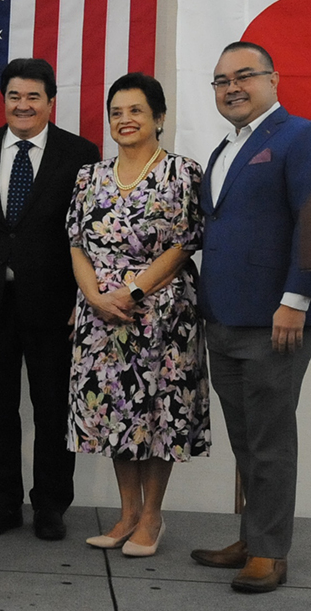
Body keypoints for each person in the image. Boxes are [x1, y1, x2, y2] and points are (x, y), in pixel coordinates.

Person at [190, 41, 311, 592]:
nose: (231, 87)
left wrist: (295, 299)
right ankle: (255, 535)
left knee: (271, 440)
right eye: (220, 79)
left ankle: (271, 554)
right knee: (247, 438)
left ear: (274, 79)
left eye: (244, 75)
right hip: (224, 316)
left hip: (278, 316)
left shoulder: (303, 137)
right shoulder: (224, 149)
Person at [0, 58, 100, 539]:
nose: (23, 105)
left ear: (51, 101)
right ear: (3, 100)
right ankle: (3, 503)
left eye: (33, 96)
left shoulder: (80, 153)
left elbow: (90, 231)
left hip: (56, 304)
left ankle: (51, 507)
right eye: (14, 96)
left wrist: (84, 296)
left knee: (53, 408)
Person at [67, 73, 210, 557]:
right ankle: (127, 512)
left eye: (135, 111)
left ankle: (152, 516)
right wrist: (96, 297)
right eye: (117, 112)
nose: (125, 120)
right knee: (113, 413)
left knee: (157, 413)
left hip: (161, 312)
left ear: (159, 118)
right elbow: (76, 244)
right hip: (100, 314)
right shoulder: (90, 175)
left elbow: (185, 241)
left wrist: (131, 291)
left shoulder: (182, 172)